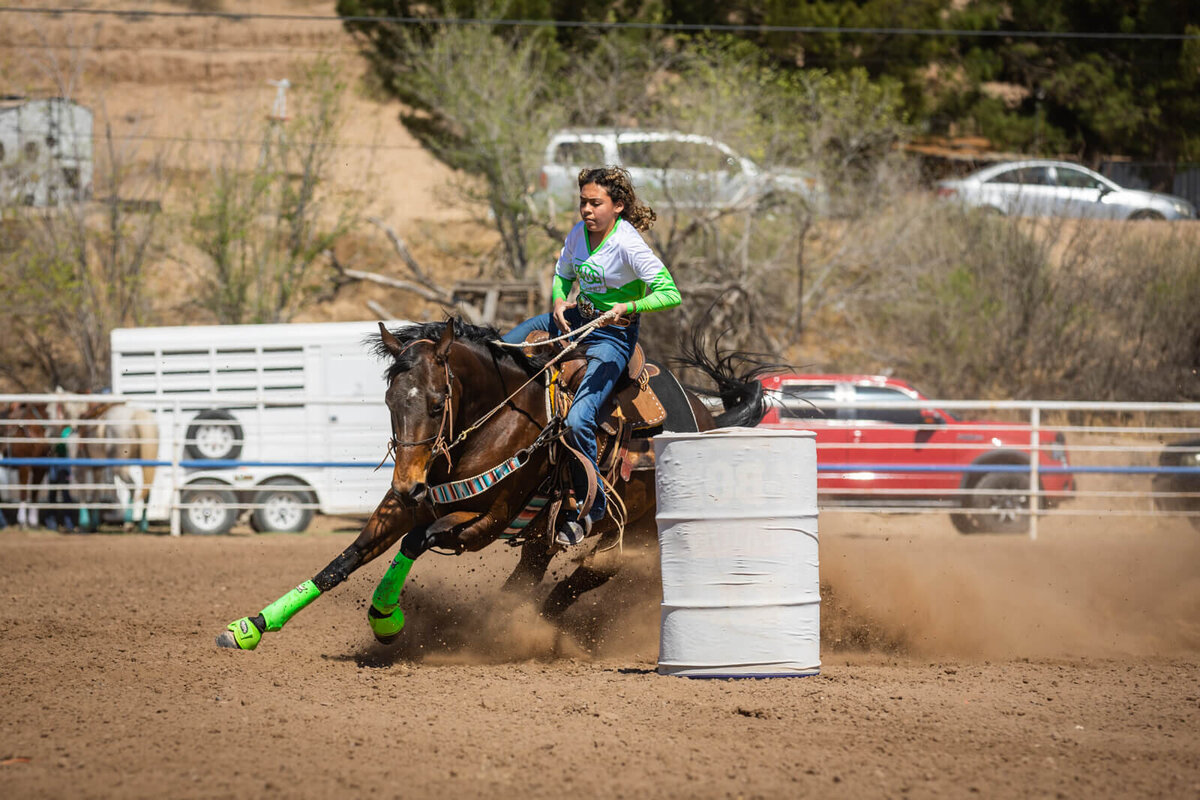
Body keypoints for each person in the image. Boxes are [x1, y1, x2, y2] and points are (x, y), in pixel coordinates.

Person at [502, 166, 681, 546]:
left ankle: (591, 505)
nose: (586, 209)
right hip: (574, 318)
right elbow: (563, 271)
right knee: (500, 353)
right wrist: (557, 299)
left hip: (612, 336)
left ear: (616, 206)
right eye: (582, 201)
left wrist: (629, 305)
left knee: (581, 419)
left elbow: (670, 293)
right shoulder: (577, 235)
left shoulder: (628, 244)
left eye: (594, 203)